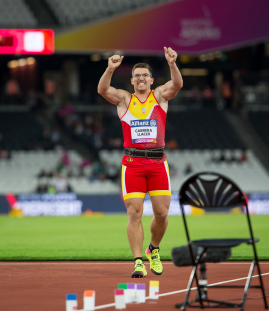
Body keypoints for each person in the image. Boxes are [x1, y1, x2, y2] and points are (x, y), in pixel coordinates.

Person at [97, 47, 183, 278]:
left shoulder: (160, 96)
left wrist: (172, 64)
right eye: (138, 75)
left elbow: (177, 85)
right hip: (133, 163)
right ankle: (138, 262)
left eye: (145, 75)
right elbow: (103, 89)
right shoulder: (125, 99)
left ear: (152, 80)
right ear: (132, 80)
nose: (141, 78)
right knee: (134, 213)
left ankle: (153, 249)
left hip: (157, 163)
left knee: (162, 213)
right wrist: (110, 68)